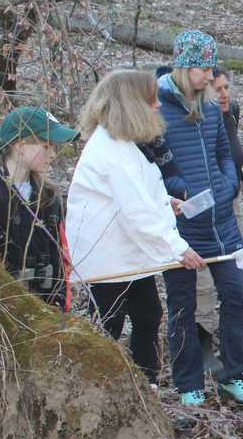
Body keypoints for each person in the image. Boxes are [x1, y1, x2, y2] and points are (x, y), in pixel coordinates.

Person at [66, 70, 205, 389]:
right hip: (109, 259)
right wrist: (178, 248)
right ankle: (96, 388)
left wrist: (165, 202)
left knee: (148, 316)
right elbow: (137, 212)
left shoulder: (126, 144)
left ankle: (147, 385)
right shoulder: (111, 150)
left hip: (130, 253)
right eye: (150, 99)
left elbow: (144, 192)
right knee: (108, 324)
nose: (157, 105)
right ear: (131, 104)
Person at [158, 30, 243, 407]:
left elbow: (223, 150)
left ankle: (233, 375)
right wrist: (175, 187)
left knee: (235, 294)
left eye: (209, 67)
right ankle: (188, 384)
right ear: (183, 65)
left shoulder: (211, 104)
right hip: (181, 224)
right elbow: (148, 161)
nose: (208, 75)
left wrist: (227, 182)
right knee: (183, 304)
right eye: (201, 67)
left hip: (221, 221)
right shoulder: (156, 105)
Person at [194, 67, 243, 369]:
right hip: (199, 202)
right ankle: (203, 338)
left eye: (225, 88)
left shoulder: (230, 113)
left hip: (230, 196)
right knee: (203, 273)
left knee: (241, 262)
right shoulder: (194, 118)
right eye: (216, 88)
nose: (222, 94)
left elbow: (230, 156)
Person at [0, 106, 78, 309]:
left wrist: (57, 306)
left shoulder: (48, 196)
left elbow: (58, 256)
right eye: (46, 146)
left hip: (46, 307)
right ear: (20, 146)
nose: (52, 154)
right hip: (3, 308)